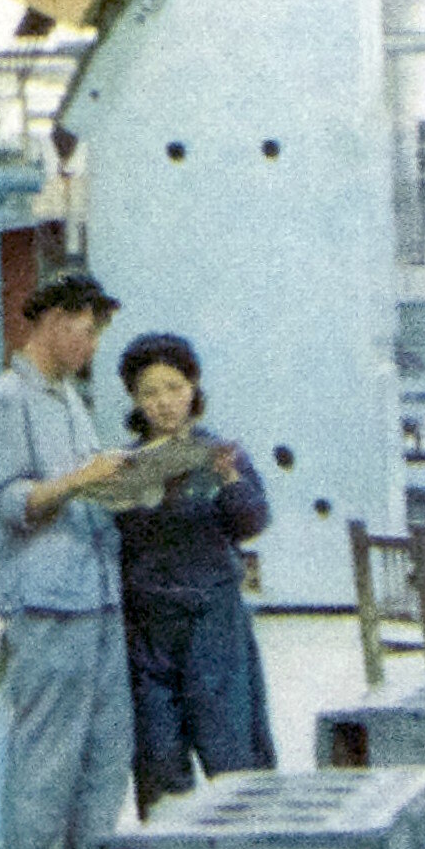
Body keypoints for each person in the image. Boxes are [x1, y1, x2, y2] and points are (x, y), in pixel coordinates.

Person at [0, 263, 133, 849]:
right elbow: (13, 501)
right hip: (46, 597)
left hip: (97, 591)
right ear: (56, 322)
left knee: (106, 739)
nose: (92, 348)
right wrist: (82, 480)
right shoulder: (6, 399)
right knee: (49, 741)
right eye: (87, 333)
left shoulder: (69, 398)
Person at [111, 329, 276, 799]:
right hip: (147, 625)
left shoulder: (221, 454)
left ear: (193, 388)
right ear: (135, 400)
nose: (164, 402)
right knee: (158, 754)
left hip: (212, 621)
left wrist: (230, 480)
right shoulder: (122, 464)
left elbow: (253, 521)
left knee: (232, 750)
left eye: (174, 387)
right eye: (150, 392)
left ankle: (247, 840)